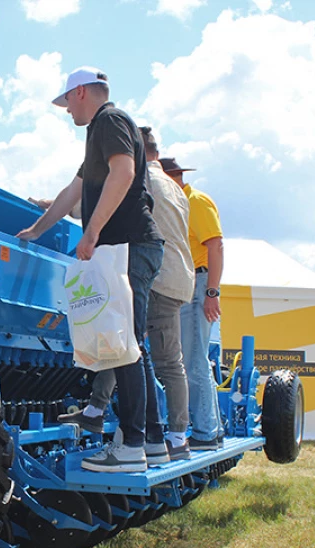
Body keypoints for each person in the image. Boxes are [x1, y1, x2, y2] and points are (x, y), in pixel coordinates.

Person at [16, 66, 164, 473]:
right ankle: (152, 441)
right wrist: (36, 229)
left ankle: (131, 446)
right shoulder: (100, 131)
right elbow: (73, 191)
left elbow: (124, 172)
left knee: (124, 345)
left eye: (67, 101)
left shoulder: (109, 121)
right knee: (131, 345)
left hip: (128, 245)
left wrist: (92, 232)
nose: (67, 110)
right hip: (134, 246)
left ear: (80, 92)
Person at [58, 126, 195, 462]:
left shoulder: (143, 179)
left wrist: (53, 207)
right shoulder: (177, 189)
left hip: (153, 275)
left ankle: (156, 435)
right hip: (177, 276)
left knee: (134, 347)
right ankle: (160, 434)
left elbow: (96, 204)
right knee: (140, 349)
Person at [161, 157, 225, 452]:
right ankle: (212, 429)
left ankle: (205, 432)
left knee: (193, 360)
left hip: (198, 283)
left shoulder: (195, 202)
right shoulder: (180, 204)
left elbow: (216, 245)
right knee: (195, 359)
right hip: (192, 282)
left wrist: (211, 291)